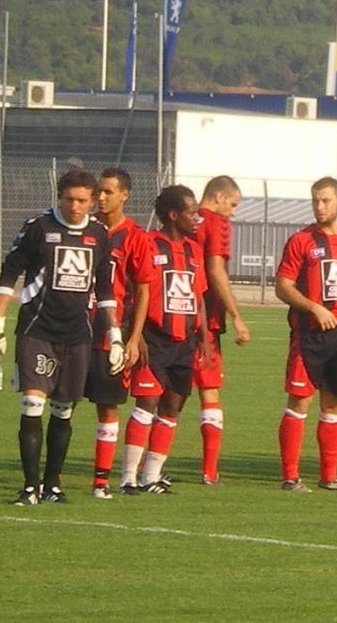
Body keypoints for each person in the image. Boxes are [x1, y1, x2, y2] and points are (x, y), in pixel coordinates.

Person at [0, 169, 120, 505]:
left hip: (77, 334)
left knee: (63, 410)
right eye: (69, 199)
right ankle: (30, 487)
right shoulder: (39, 227)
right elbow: (10, 271)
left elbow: (105, 287)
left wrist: (114, 332)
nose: (75, 206)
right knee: (32, 403)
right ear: (60, 196)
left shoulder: (99, 234)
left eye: (82, 200)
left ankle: (53, 484)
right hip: (37, 329)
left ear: (91, 200)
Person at [276, 177, 337, 493]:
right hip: (308, 336)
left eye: (326, 201)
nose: (320, 206)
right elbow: (283, 286)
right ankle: (290, 477)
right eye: (316, 201)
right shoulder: (301, 240)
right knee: (299, 403)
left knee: (334, 407)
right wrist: (314, 308)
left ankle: (329, 477)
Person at [119, 185, 208, 494]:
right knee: (147, 401)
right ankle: (128, 477)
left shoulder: (194, 250)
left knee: (172, 404)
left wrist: (204, 338)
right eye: (192, 212)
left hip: (185, 342)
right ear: (173, 215)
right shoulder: (147, 243)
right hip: (153, 337)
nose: (198, 218)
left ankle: (151, 477)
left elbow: (200, 296)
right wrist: (136, 335)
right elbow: (133, 293)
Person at [85, 168, 156, 500]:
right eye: (99, 191)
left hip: (109, 333)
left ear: (124, 195)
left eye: (108, 192)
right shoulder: (86, 229)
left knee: (107, 405)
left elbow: (144, 291)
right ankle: (48, 479)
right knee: (60, 402)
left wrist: (132, 337)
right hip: (73, 327)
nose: (101, 197)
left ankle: (101, 481)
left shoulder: (135, 237)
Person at [193, 175, 250, 485]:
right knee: (209, 391)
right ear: (217, 196)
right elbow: (215, 269)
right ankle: (209, 471)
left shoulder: (183, 220)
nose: (232, 211)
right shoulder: (216, 224)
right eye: (232, 203)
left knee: (162, 397)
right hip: (203, 323)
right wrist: (236, 315)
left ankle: (147, 470)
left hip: (169, 318)